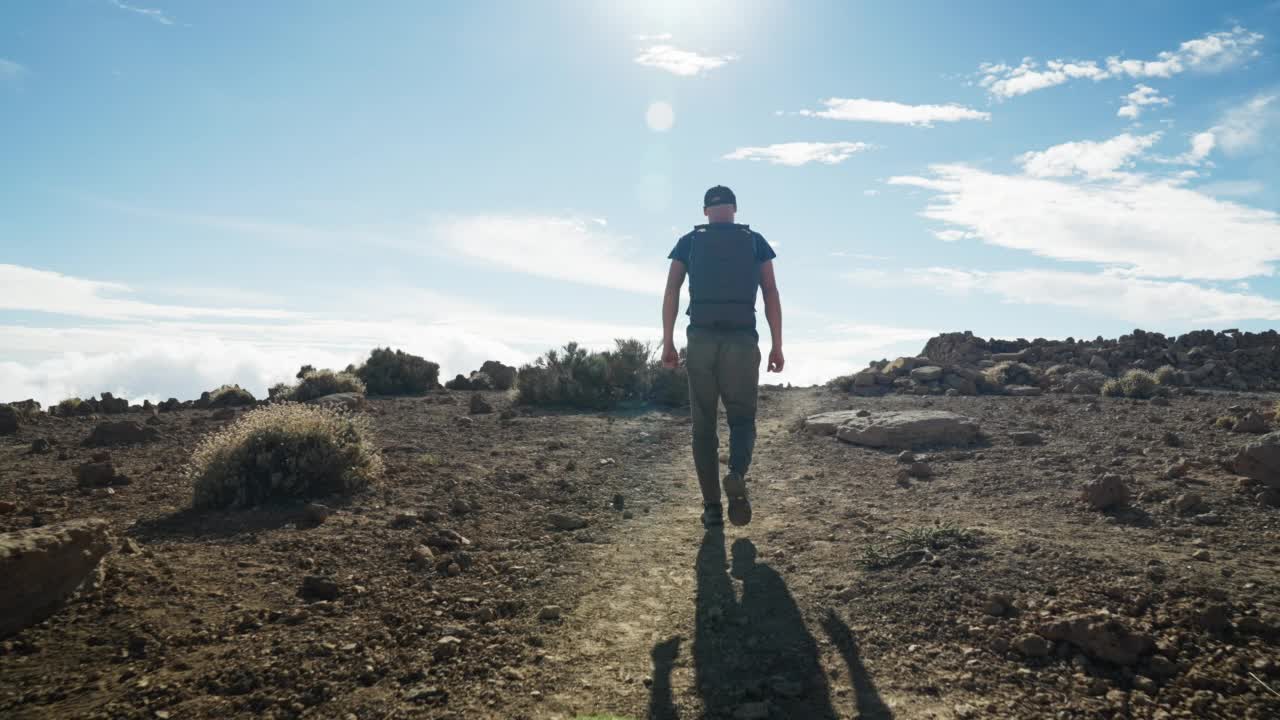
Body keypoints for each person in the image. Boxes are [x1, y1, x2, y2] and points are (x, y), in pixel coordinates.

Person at [662, 185, 783, 528]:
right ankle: (737, 472)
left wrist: (668, 340)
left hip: (700, 339)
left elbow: (672, 289)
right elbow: (770, 291)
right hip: (742, 341)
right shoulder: (755, 241)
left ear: (705, 211)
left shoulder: (689, 241)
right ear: (734, 208)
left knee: (703, 427)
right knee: (742, 420)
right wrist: (777, 344)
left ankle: (712, 508)